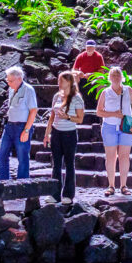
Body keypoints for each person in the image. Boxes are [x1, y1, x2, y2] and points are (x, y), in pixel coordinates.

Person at [96, 67, 132, 196]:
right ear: (109, 78)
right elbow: (99, 112)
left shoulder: (128, 90)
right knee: (110, 157)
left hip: (126, 127)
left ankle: (123, 185)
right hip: (109, 127)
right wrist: (114, 114)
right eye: (113, 75)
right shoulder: (105, 92)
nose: (116, 77)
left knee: (124, 156)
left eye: (118, 75)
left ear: (122, 77)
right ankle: (111, 185)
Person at [45, 71, 85, 203]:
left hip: (69, 133)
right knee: (56, 164)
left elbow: (80, 119)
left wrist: (67, 117)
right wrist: (47, 134)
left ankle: (68, 194)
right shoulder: (56, 96)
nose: (59, 83)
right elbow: (51, 117)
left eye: (61, 81)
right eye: (59, 80)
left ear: (69, 82)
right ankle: (54, 194)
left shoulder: (77, 98)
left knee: (69, 164)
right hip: (56, 132)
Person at [0, 66, 38, 179]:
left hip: (22, 126)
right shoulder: (11, 89)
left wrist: (26, 130)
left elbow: (33, 110)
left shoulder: (28, 90)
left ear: (19, 79)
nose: (8, 83)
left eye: (10, 81)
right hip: (9, 125)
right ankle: (4, 182)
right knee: (2, 155)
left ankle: (23, 184)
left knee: (23, 157)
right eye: (8, 80)